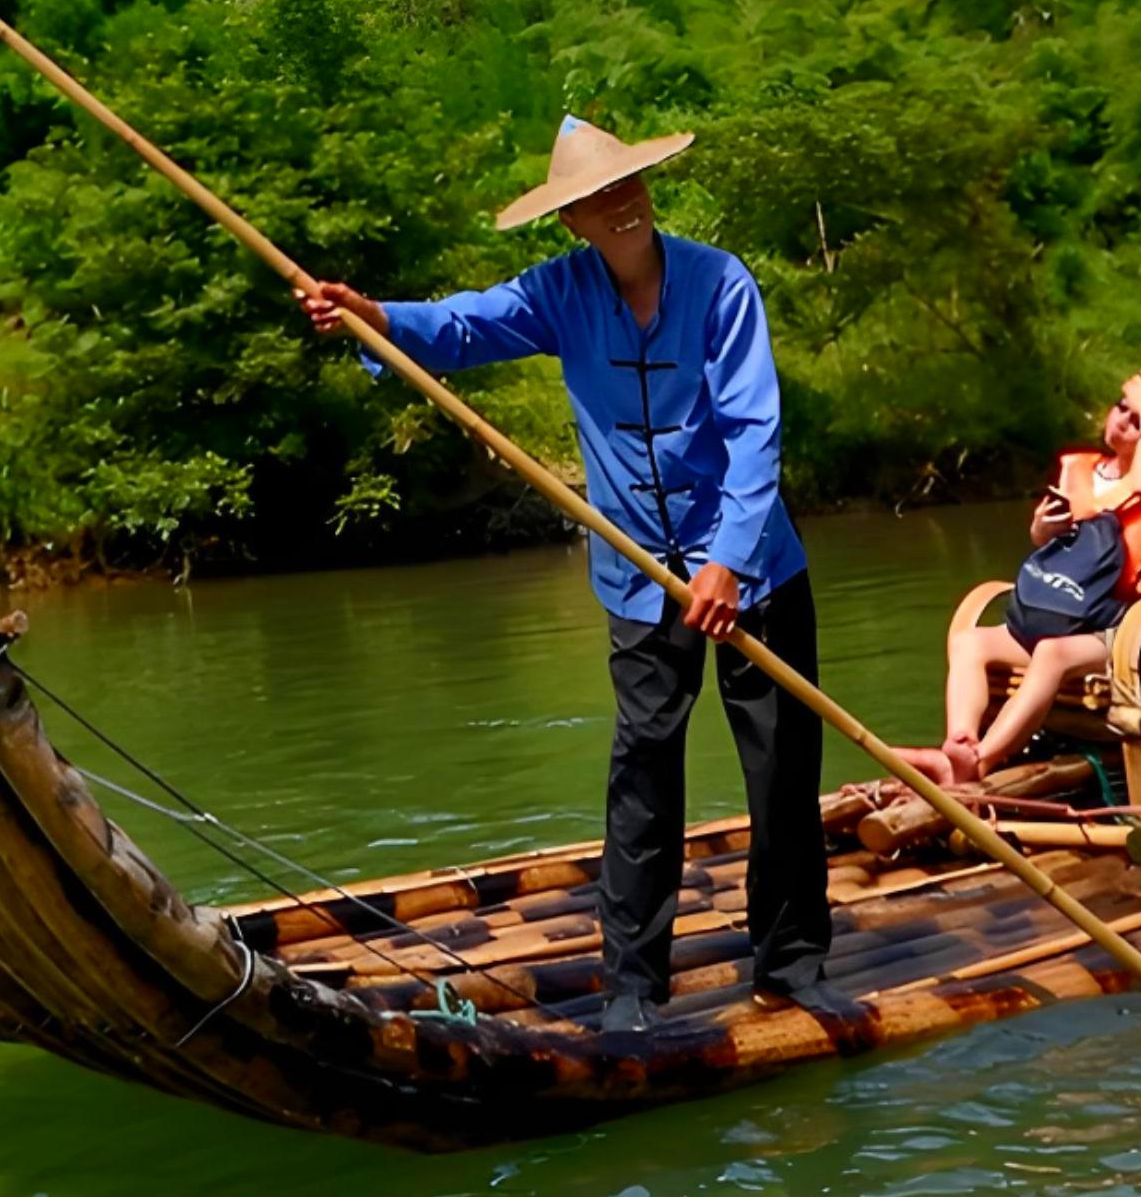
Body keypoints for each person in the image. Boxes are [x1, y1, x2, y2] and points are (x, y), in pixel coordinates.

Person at [297, 116, 832, 1038]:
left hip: (753, 571)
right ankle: (633, 984)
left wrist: (728, 560)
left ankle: (789, 963)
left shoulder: (720, 284)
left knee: (782, 770)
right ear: (573, 220)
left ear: (647, 192)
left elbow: (755, 432)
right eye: (597, 199)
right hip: (639, 575)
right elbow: (465, 324)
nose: (619, 205)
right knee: (642, 774)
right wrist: (373, 319)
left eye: (629, 188)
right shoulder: (560, 293)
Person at [899, 370, 1141, 789]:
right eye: (1122, 409)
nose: (1121, 422)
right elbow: (1062, 551)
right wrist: (1043, 531)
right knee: (971, 642)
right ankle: (961, 743)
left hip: (1128, 630)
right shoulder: (1084, 470)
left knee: (1051, 655)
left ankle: (981, 763)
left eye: (1138, 421)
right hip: (1068, 614)